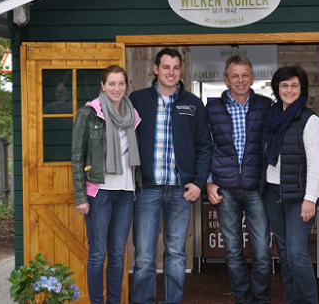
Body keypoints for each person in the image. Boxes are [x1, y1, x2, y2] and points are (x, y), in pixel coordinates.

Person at [129, 48, 212, 304]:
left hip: (180, 190)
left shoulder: (193, 103)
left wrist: (198, 182)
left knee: (176, 253)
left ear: (181, 71)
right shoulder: (137, 99)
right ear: (156, 69)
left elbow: (204, 146)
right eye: (166, 67)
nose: (171, 72)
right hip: (147, 189)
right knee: (144, 255)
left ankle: (172, 301)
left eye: (176, 68)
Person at [205, 55, 272, 304]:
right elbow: (205, 147)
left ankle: (261, 298)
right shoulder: (211, 109)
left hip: (257, 188)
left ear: (252, 78)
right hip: (225, 189)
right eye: (235, 76)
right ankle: (243, 298)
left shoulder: (267, 106)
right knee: (233, 252)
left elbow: (273, 147)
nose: (240, 80)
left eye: (245, 75)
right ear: (226, 80)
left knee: (263, 252)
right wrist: (209, 182)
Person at [71, 65, 141, 304]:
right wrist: (80, 196)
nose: (116, 88)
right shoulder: (88, 114)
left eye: (121, 83)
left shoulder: (133, 115)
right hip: (99, 192)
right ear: (102, 86)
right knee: (98, 255)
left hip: (125, 192)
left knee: (118, 255)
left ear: (126, 86)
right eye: (111, 83)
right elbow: (78, 156)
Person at [263, 65, 319, 304]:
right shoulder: (272, 117)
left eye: (294, 85)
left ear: (302, 89)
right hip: (273, 191)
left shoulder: (310, 120)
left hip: (299, 196)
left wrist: (310, 198)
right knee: (286, 254)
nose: (289, 90)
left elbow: (317, 163)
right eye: (284, 85)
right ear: (277, 89)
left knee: (297, 253)